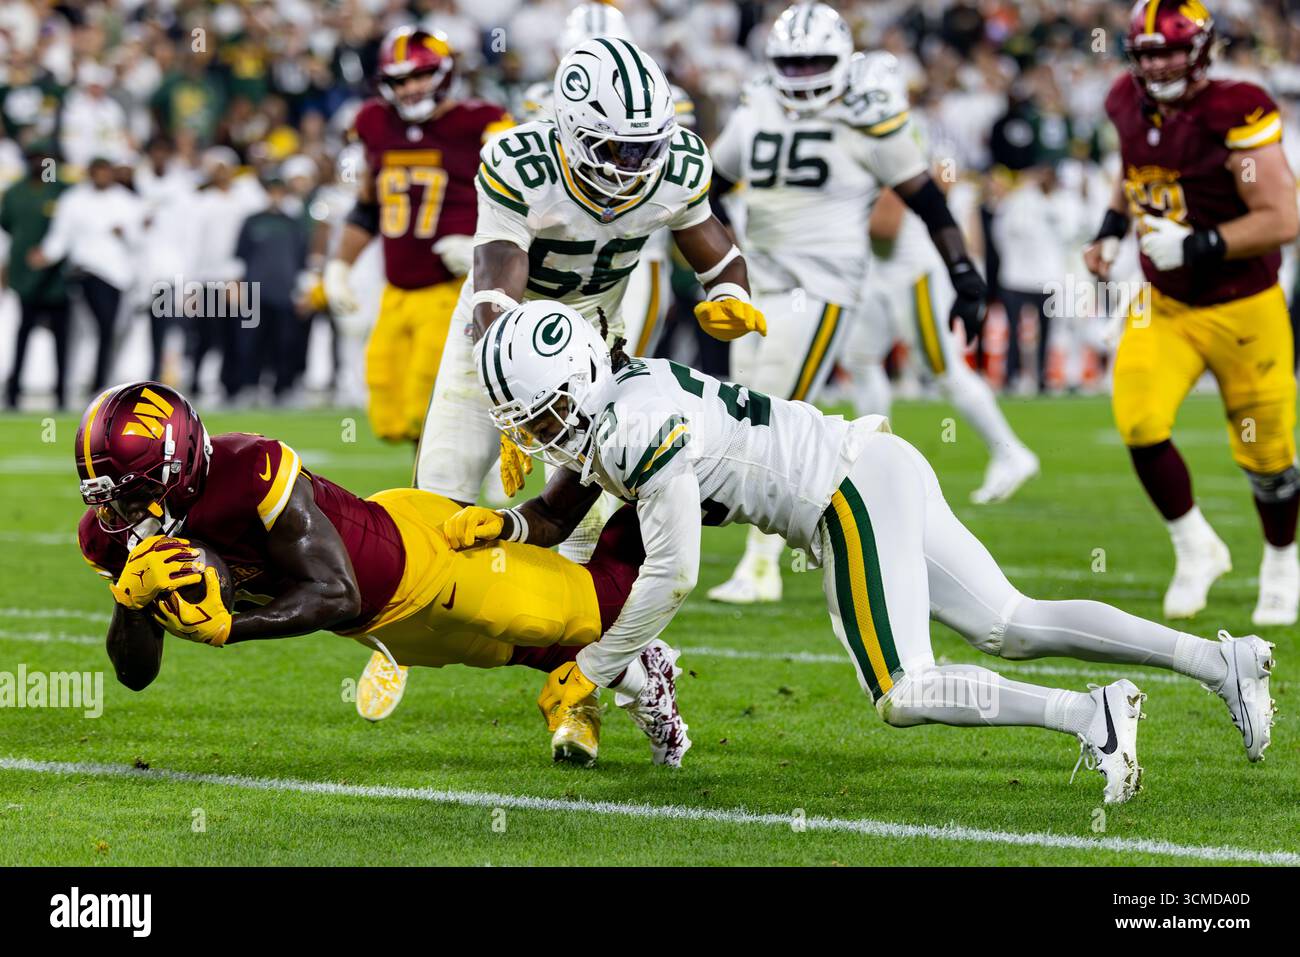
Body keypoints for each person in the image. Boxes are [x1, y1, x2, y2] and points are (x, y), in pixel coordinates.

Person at [445, 300, 1276, 804]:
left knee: (902, 691)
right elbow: (561, 506)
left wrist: (594, 663)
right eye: (528, 417)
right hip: (869, 463)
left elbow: (675, 573)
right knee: (1010, 621)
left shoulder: (631, 426)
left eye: (545, 413)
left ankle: (1092, 717)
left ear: (582, 378)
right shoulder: (615, 399)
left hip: (841, 496)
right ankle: (1218, 661)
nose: (536, 431)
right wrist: (509, 525)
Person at [72, 380, 687, 768]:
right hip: (378, 626)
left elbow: (335, 592)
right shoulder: (111, 533)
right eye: (105, 496)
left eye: (132, 494)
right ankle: (636, 678)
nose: (118, 513)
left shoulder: (247, 468)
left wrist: (234, 627)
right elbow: (135, 677)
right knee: (525, 651)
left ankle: (653, 469)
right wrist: (129, 604)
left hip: (424, 558)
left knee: (596, 606)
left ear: (179, 468)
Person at [705, 5, 1035, 605]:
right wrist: (724, 252)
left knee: (769, 414)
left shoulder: (869, 115)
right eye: (791, 62)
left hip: (823, 285)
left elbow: (927, 200)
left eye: (814, 61)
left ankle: (763, 564)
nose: (802, 73)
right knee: (741, 414)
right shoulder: (757, 106)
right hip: (758, 282)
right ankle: (846, 513)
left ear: (841, 64)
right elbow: (709, 186)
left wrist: (963, 270)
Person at [1084, 0, 1300, 625]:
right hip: (1169, 303)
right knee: (1139, 419)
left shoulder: (1236, 108)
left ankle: (1282, 561)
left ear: (1201, 49)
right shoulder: (1126, 101)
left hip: (1244, 305)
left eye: (1171, 49)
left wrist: (1199, 243)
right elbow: (1134, 174)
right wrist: (1109, 231)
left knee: (1267, 456)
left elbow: (1282, 219)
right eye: (1148, 52)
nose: (1159, 63)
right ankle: (1194, 545)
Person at [323, 26, 512, 444]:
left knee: (431, 403)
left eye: (419, 76)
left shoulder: (482, 123)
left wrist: (482, 245)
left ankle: (443, 490)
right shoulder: (373, 122)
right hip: (396, 290)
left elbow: (518, 201)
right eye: (398, 80)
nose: (410, 88)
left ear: (444, 74)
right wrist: (338, 267)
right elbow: (368, 206)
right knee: (388, 408)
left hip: (450, 287)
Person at [29, 156, 144, 393]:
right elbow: (60, 235)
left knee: (108, 328)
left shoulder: (127, 201)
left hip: (117, 276)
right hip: (85, 272)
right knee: (90, 327)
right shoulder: (74, 200)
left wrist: (125, 233)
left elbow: (140, 239)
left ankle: (100, 382)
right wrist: (46, 255)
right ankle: (78, 381)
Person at [1, 142, 70, 408]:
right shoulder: (16, 192)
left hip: (57, 278)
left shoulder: (62, 190)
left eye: (43, 158)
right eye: (33, 158)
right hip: (26, 276)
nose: (38, 163)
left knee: (61, 338)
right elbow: (6, 226)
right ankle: (13, 392)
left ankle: (62, 393)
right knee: (23, 334)